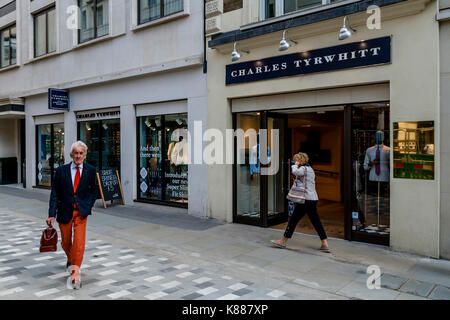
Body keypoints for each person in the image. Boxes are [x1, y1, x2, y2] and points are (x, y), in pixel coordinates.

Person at [46, 141, 97, 289]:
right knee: (66, 242)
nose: (78, 156)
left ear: (85, 155)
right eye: (76, 153)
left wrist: (88, 206)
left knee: (79, 243)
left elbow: (93, 190)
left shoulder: (91, 170)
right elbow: (54, 193)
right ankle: (71, 259)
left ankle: (75, 272)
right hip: (64, 211)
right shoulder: (61, 171)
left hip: (81, 212)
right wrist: (51, 214)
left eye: (81, 153)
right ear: (71, 155)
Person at [271, 152, 330, 252]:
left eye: (296, 160)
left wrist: (295, 164)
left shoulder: (303, 169)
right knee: (315, 222)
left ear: (300, 161)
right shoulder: (310, 169)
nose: (295, 162)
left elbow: (295, 172)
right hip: (311, 199)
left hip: (305, 200)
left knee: (294, 220)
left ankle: (283, 241)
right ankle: (324, 243)